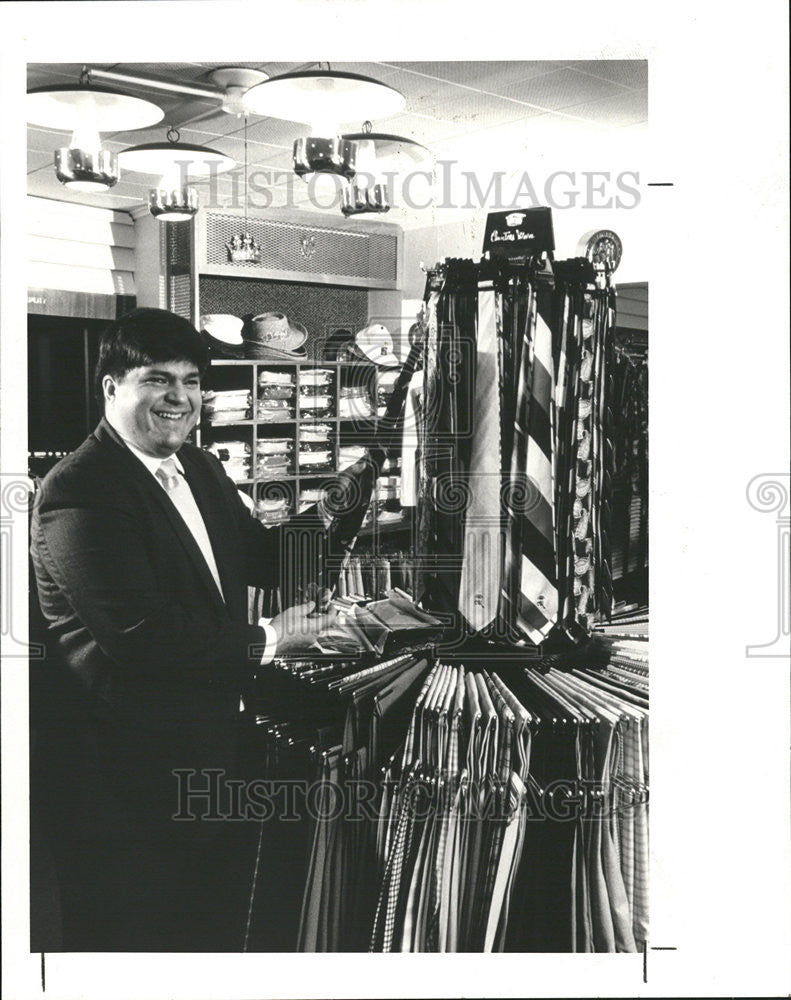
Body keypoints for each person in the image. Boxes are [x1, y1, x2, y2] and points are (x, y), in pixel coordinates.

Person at [29, 308, 335, 951]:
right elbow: (142, 635)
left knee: (209, 931)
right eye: (157, 378)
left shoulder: (199, 468)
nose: (180, 397)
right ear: (111, 387)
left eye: (193, 381)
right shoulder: (79, 489)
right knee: (132, 945)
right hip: (124, 782)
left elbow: (264, 558)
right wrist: (272, 639)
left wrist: (338, 507)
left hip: (209, 750)